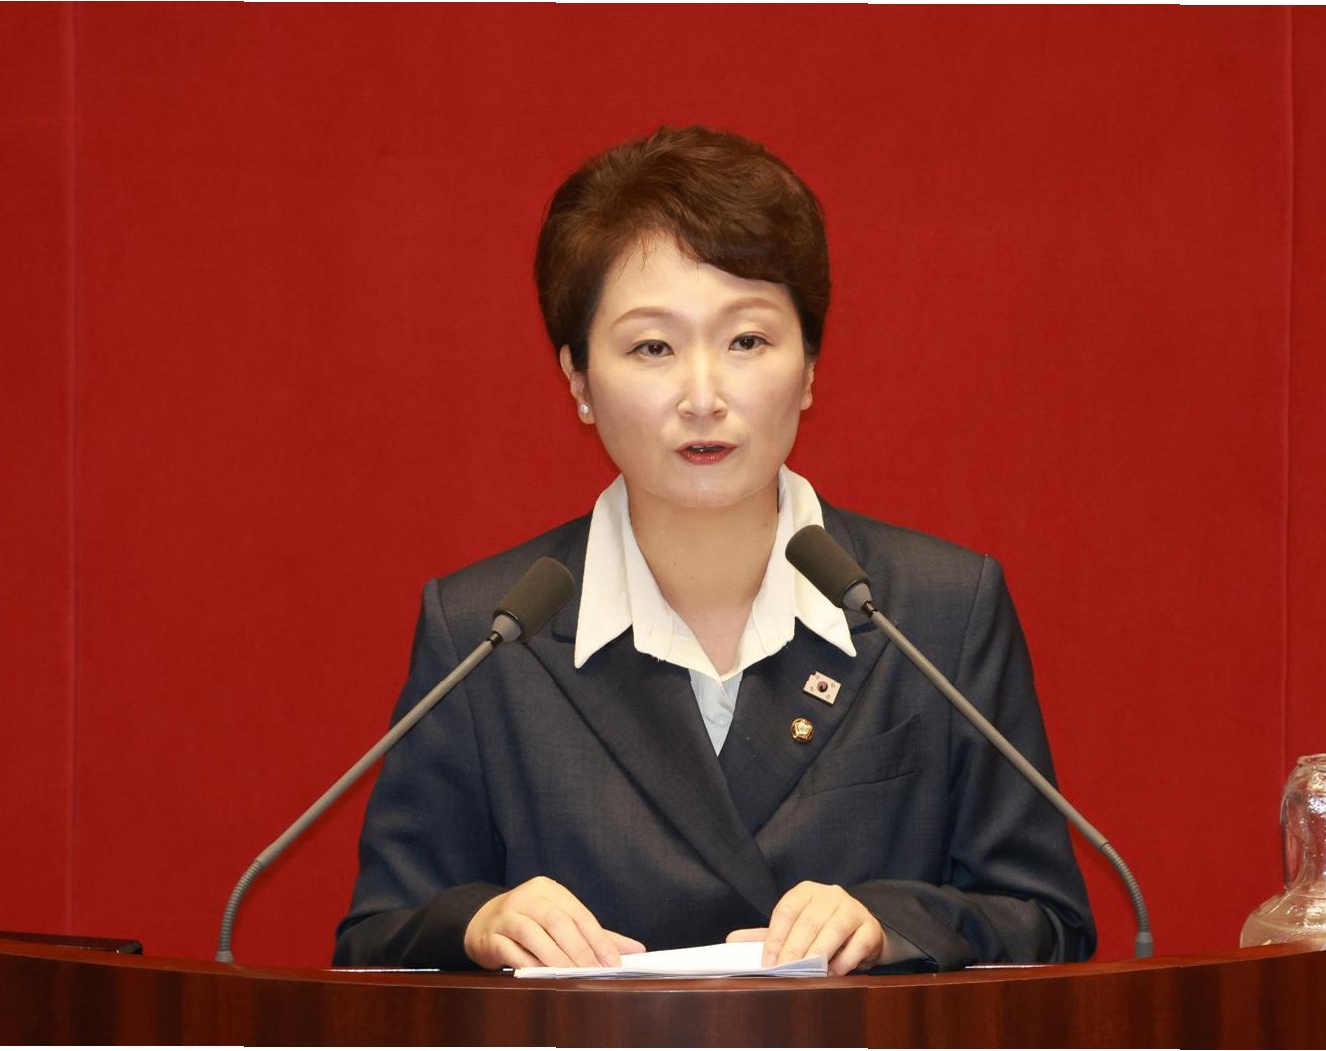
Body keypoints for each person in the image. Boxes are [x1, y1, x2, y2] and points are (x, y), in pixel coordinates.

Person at [333, 126, 1094, 974]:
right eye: (652, 347)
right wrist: (475, 923)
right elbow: (373, 945)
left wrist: (893, 923)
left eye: (747, 341)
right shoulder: (487, 631)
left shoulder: (938, 610)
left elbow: (1049, 923)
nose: (703, 396)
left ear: (810, 367)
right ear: (578, 380)